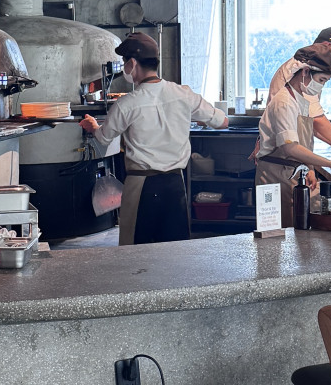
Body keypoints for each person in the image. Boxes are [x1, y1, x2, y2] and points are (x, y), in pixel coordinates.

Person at [79, 32, 227, 245]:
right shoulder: (183, 93)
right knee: (174, 251)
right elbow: (222, 122)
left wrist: (92, 126)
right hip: (175, 183)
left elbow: (103, 138)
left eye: (125, 62)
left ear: (132, 63)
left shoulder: (127, 103)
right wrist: (187, 117)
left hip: (141, 185)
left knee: (136, 251)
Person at [254, 48, 331, 215]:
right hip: (277, 176)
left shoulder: (299, 100)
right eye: (321, 80)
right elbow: (290, 148)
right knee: (283, 228)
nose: (321, 86)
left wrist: (310, 168)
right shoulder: (284, 103)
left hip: (292, 172)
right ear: (305, 72)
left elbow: (302, 141)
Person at [266, 25, 331, 155]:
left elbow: (309, 122)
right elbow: (316, 119)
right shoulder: (304, 69)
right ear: (327, 45)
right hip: (282, 155)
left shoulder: (305, 69)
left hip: (290, 154)